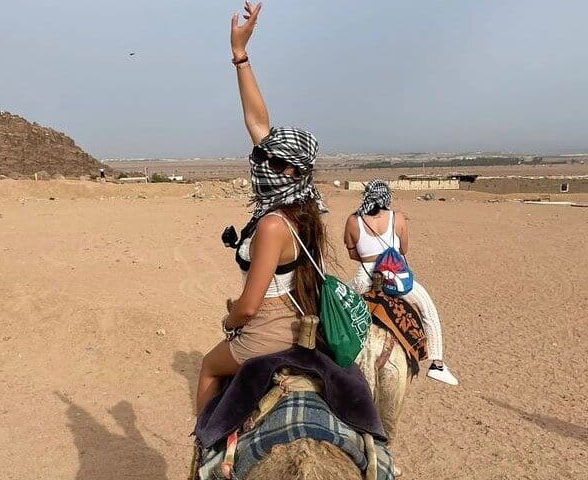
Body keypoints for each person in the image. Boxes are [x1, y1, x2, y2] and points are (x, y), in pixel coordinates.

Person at [196, 1, 328, 414]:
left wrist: (230, 320)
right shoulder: (302, 200)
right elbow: (257, 122)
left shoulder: (273, 224)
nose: (257, 160)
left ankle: (205, 445)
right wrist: (241, 55)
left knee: (208, 368)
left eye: (264, 157)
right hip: (302, 319)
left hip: (269, 331)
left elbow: (250, 306)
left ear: (283, 168)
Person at [343, 179, 459, 385]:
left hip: (364, 278)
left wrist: (370, 254)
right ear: (387, 197)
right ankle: (437, 364)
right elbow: (404, 250)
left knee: (336, 304)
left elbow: (353, 254)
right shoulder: (397, 218)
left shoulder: (353, 220)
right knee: (428, 310)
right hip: (395, 278)